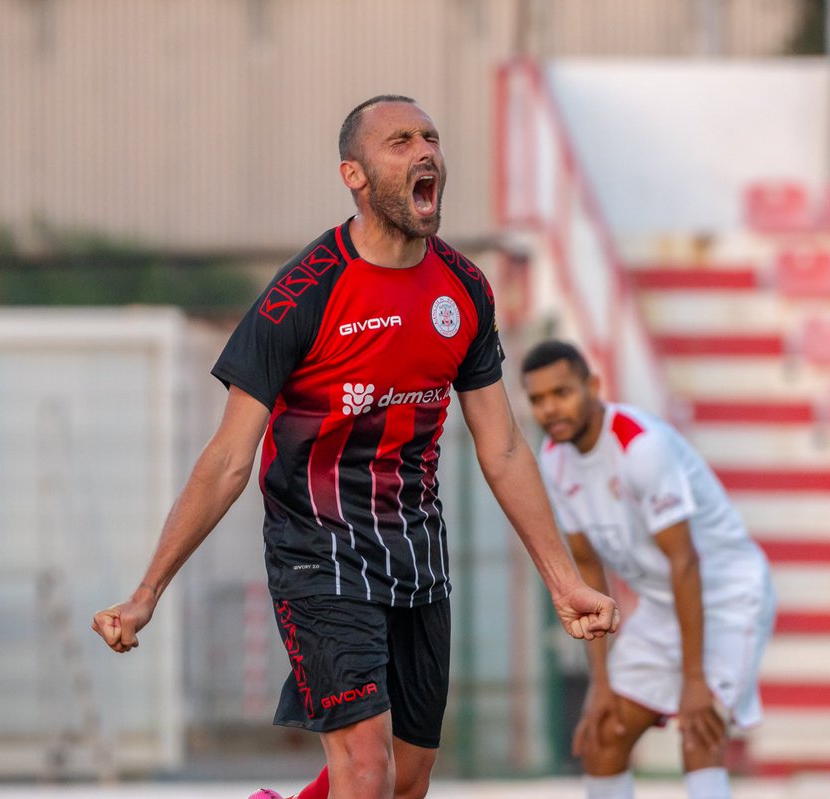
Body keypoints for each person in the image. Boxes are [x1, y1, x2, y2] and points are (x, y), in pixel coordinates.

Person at [90, 95, 620, 799]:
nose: (425, 151)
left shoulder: (463, 288)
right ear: (355, 174)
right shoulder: (300, 296)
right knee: (366, 773)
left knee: (407, 780)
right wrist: (146, 591)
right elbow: (226, 459)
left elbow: (504, 450)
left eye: (430, 136)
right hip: (318, 552)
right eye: (400, 141)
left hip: (417, 552)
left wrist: (563, 583)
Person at [520, 340, 776, 799]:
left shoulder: (641, 446)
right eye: (537, 399)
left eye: (562, 392)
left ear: (593, 386)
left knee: (700, 732)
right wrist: (600, 684)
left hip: (727, 596)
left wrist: (693, 680)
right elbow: (588, 571)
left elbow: (685, 561)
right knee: (605, 735)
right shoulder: (555, 458)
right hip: (663, 603)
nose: (550, 408)